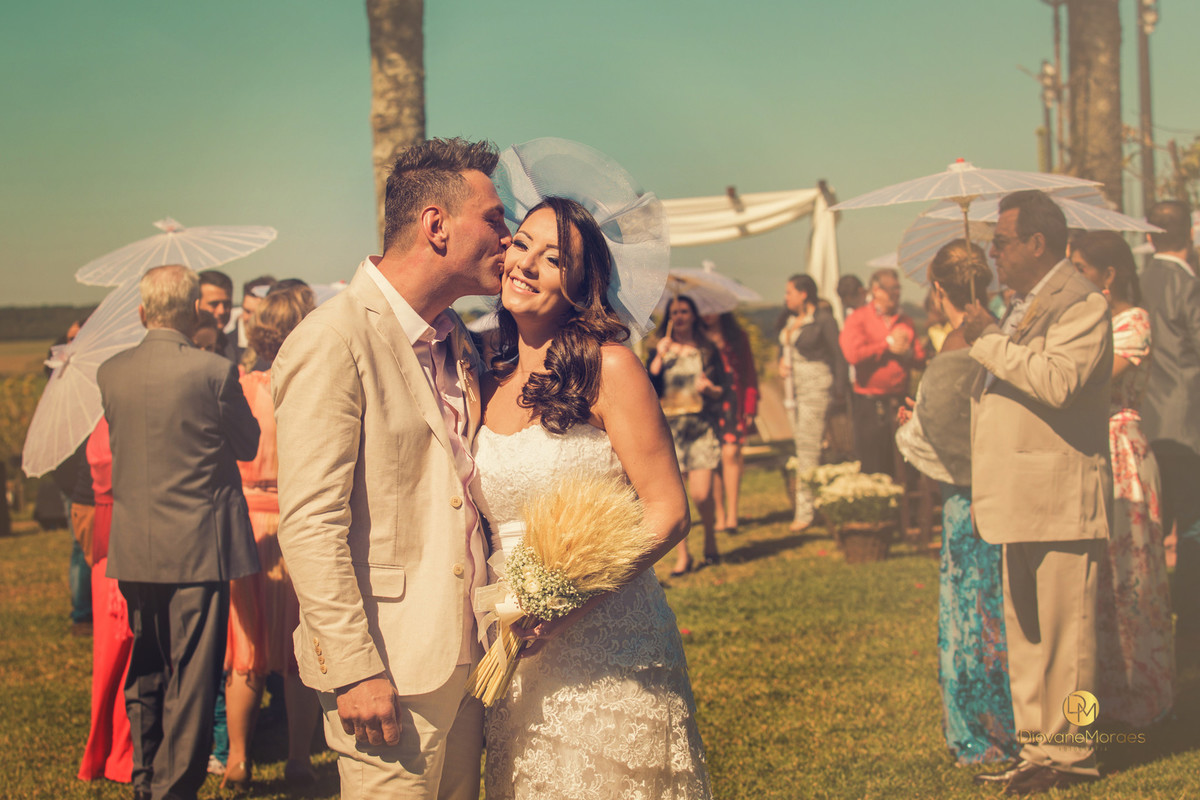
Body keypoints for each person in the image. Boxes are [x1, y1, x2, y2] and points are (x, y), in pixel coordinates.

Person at [272, 137, 509, 800]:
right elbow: (312, 524)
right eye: (494, 218)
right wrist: (353, 670)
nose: (508, 235)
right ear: (438, 225)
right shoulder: (332, 339)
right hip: (388, 669)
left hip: (469, 657)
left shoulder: (455, 339)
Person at [474, 194, 711, 799]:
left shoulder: (610, 368)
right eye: (522, 244)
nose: (525, 263)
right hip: (513, 644)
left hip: (609, 642)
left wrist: (565, 602)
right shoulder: (485, 375)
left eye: (553, 259)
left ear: (581, 287)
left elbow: (669, 511)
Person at [962, 190, 1111, 795]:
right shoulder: (1022, 305)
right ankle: (1037, 752)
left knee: (1068, 641)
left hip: (1060, 495)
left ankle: (1074, 755)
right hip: (1019, 492)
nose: (992, 254)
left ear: (1037, 244)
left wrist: (986, 337)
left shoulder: (1082, 301)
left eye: (1001, 242)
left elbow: (1059, 382)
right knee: (1027, 637)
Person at [99, 264, 261, 800]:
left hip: (133, 544)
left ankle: (146, 778)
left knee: (146, 666)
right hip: (196, 546)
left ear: (143, 313)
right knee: (192, 678)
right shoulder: (213, 372)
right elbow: (247, 444)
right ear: (195, 311)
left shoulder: (111, 371)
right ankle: (175, 788)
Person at [894, 241, 1017, 765]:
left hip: (970, 501)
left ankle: (982, 728)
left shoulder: (956, 346)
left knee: (975, 611)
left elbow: (942, 437)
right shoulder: (1008, 330)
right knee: (1009, 609)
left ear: (940, 289)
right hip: (1013, 491)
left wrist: (912, 424)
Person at [1070, 230, 1174, 727]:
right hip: (1091, 449)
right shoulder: (1093, 320)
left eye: (1081, 267)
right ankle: (1107, 693)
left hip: (1122, 452)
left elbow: (1092, 378)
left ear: (1108, 275)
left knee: (1131, 575)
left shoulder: (1134, 322)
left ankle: (1143, 695)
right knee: (1100, 580)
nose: (1074, 277)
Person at [221, 287, 321, 792]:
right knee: (298, 656)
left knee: (246, 651)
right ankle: (299, 760)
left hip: (246, 529)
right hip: (297, 525)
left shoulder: (240, 386)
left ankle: (237, 760)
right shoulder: (311, 388)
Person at [1140, 199, 1200, 670]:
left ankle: (1150, 620)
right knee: (1193, 528)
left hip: (1146, 422)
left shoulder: (1138, 282)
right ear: (1190, 236)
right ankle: (1190, 624)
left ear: (1150, 236)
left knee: (1154, 530)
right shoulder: (1189, 285)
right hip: (1189, 424)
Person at [647, 295, 729, 575]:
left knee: (701, 493)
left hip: (700, 426)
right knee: (677, 497)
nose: (679, 316)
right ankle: (684, 555)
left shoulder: (706, 349)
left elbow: (723, 389)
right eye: (674, 312)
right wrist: (658, 355)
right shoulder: (661, 348)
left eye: (684, 311)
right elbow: (649, 386)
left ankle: (710, 536)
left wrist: (710, 390)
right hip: (669, 429)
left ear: (693, 315)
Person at [77, 415, 134, 784]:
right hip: (126, 527)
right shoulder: (121, 425)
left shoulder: (97, 428)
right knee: (126, 650)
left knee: (110, 653)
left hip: (105, 528)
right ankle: (121, 754)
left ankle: (107, 751)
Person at [840, 268, 925, 477]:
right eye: (891, 290)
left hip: (899, 401)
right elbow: (852, 354)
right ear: (876, 290)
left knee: (905, 466)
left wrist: (908, 352)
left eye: (898, 289)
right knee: (875, 465)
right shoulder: (858, 319)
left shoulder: (905, 320)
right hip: (870, 403)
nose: (896, 294)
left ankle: (908, 507)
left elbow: (920, 359)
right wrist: (885, 344)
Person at [778, 274, 846, 530]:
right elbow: (785, 351)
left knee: (808, 448)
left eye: (789, 293)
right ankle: (817, 501)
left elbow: (838, 356)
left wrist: (839, 391)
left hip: (816, 388)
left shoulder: (824, 320)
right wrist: (782, 364)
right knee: (804, 445)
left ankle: (805, 511)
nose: (786, 298)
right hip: (793, 392)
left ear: (804, 293)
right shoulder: (792, 321)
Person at [704, 312, 758, 533]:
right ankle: (720, 514)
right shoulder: (696, 338)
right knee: (716, 458)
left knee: (731, 454)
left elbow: (749, 371)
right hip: (709, 403)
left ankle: (733, 513)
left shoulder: (737, 336)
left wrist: (751, 406)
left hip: (734, 400)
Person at [198, 269, 237, 361]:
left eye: (227, 304)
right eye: (214, 304)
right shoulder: (187, 347)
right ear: (197, 304)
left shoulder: (233, 347)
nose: (221, 311)